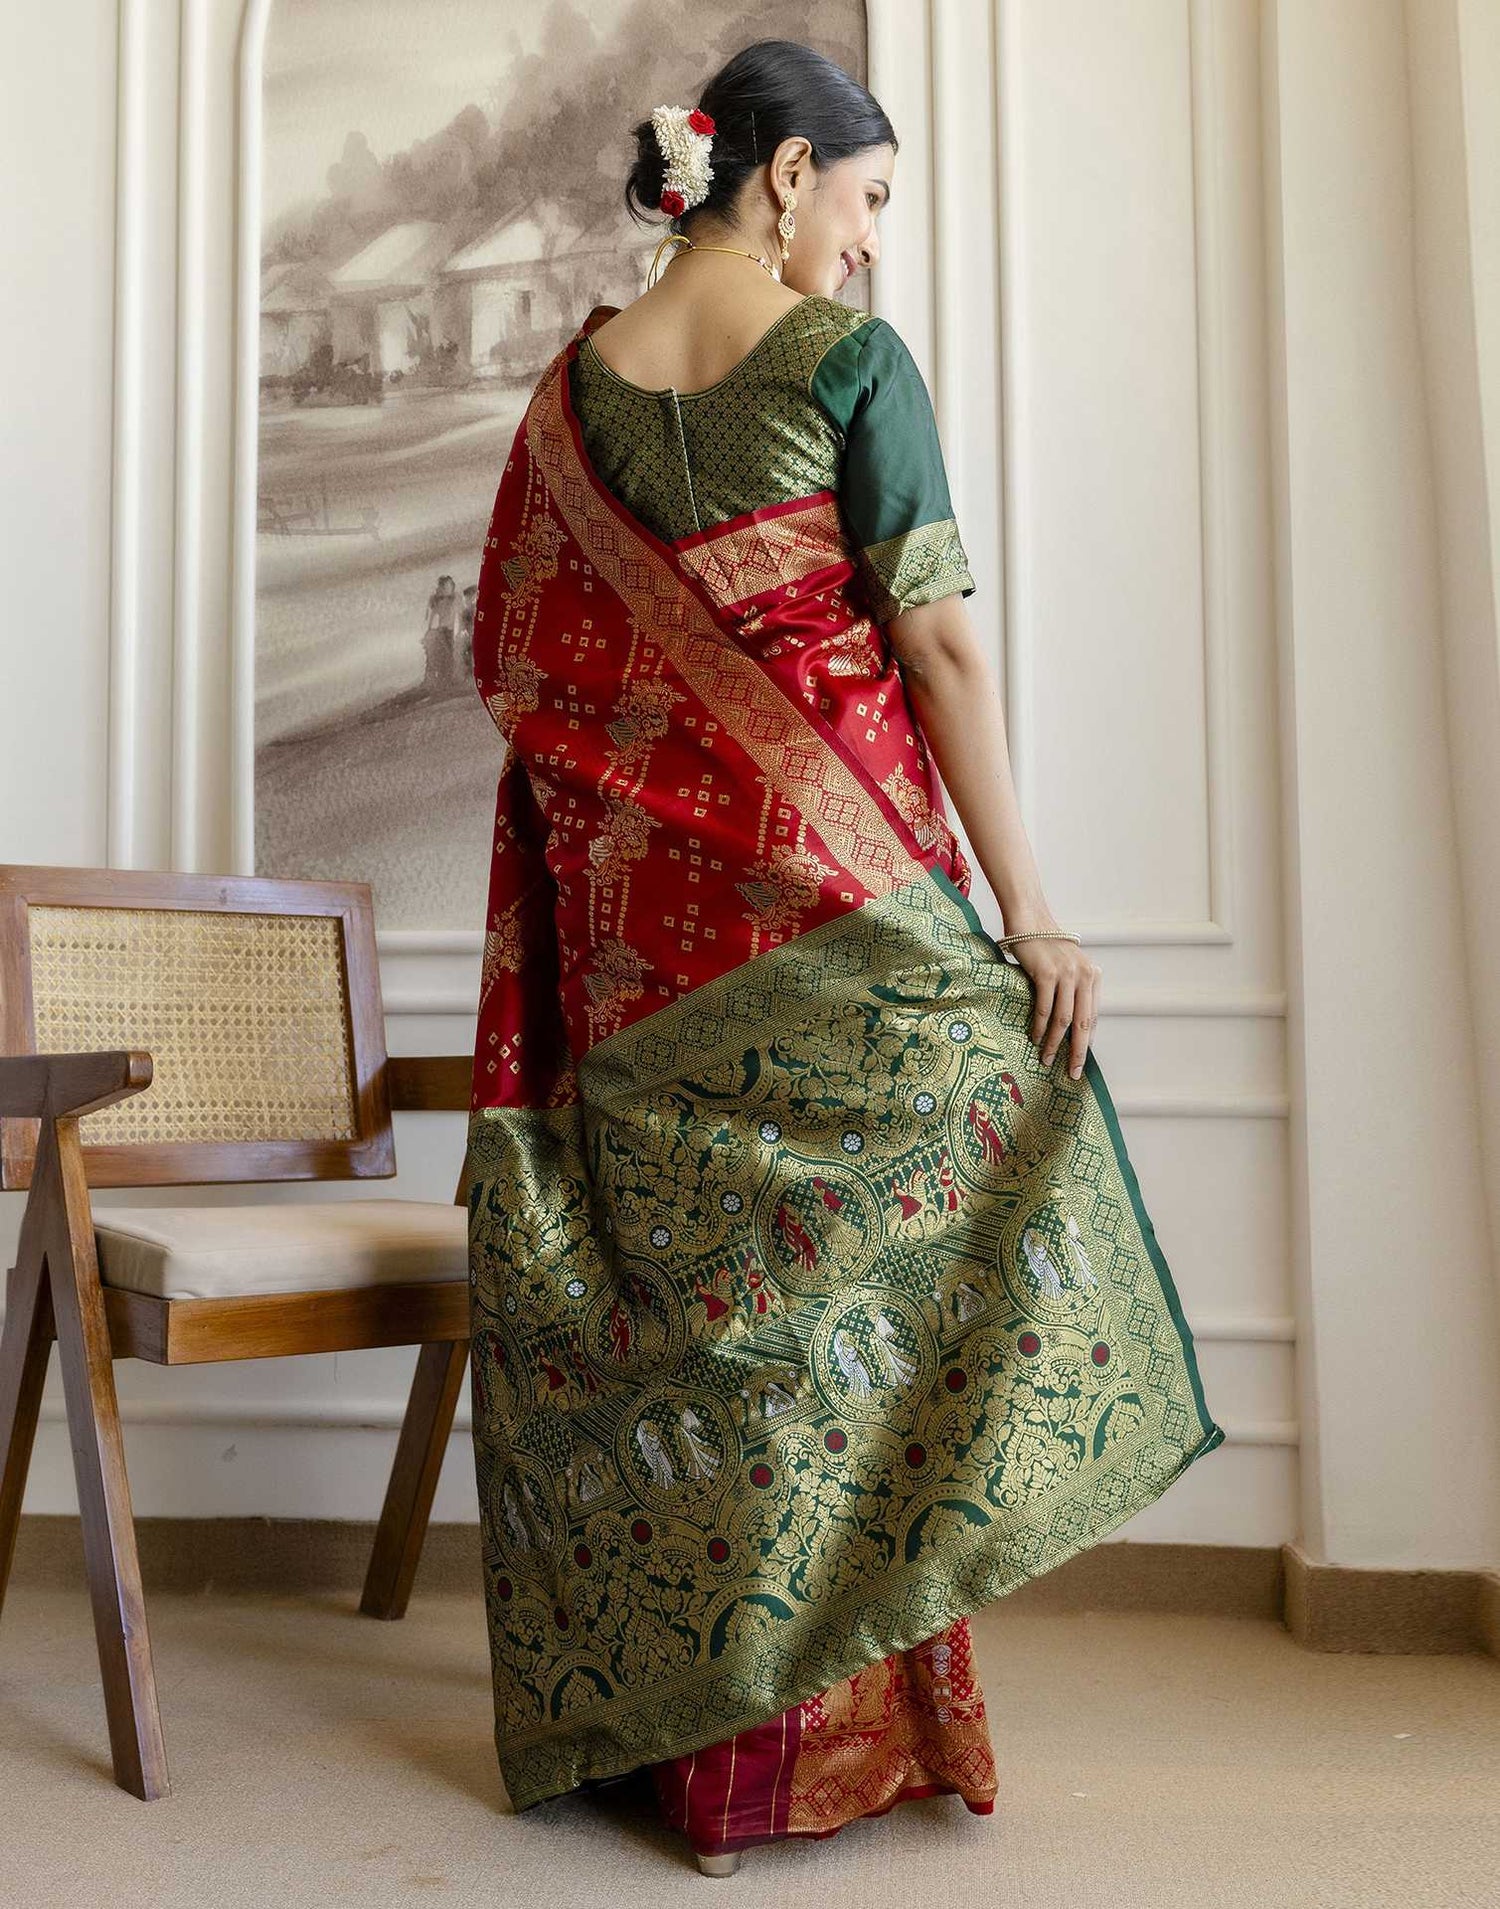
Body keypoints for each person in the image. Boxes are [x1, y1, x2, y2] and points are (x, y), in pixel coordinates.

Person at [463, 38, 1225, 1876]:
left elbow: (520, 663)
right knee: (849, 1324)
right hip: (844, 924)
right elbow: (940, 649)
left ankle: (706, 1772)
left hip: (643, 962)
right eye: (870, 202)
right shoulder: (845, 365)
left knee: (719, 1337)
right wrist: (1029, 914)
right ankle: (827, 1752)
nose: (874, 251)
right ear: (781, 174)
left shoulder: (563, 398)